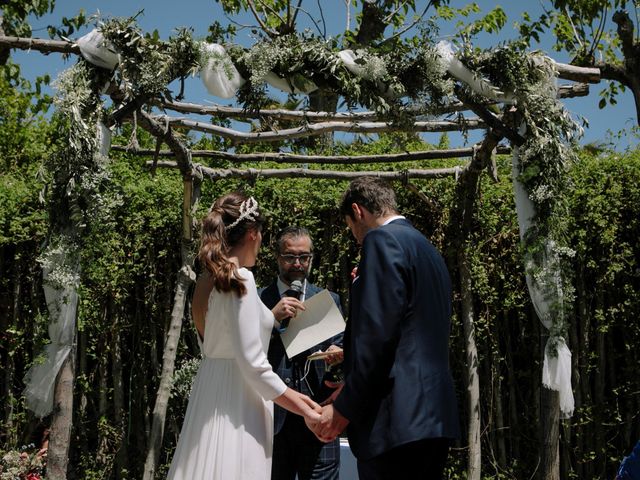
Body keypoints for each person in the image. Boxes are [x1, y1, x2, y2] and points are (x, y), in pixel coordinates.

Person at [309, 177, 460, 480]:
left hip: (396, 422)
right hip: (432, 418)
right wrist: (352, 381)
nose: (355, 237)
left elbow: (377, 337)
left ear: (357, 210)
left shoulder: (381, 241)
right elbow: (409, 336)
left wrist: (344, 409)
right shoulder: (426, 248)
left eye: (350, 227)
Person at [167, 193, 321, 480]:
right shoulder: (240, 279)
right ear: (252, 234)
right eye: (261, 234)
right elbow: (254, 365)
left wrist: (270, 317)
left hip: (210, 394)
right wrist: (305, 409)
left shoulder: (206, 280)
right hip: (238, 403)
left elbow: (225, 336)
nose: (261, 241)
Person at [260, 226, 343, 480]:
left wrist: (337, 354)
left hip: (318, 415)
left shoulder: (329, 300)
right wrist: (271, 319)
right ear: (277, 257)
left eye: (303, 257)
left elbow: (342, 351)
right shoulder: (258, 299)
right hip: (272, 419)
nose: (297, 263)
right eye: (290, 256)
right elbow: (245, 350)